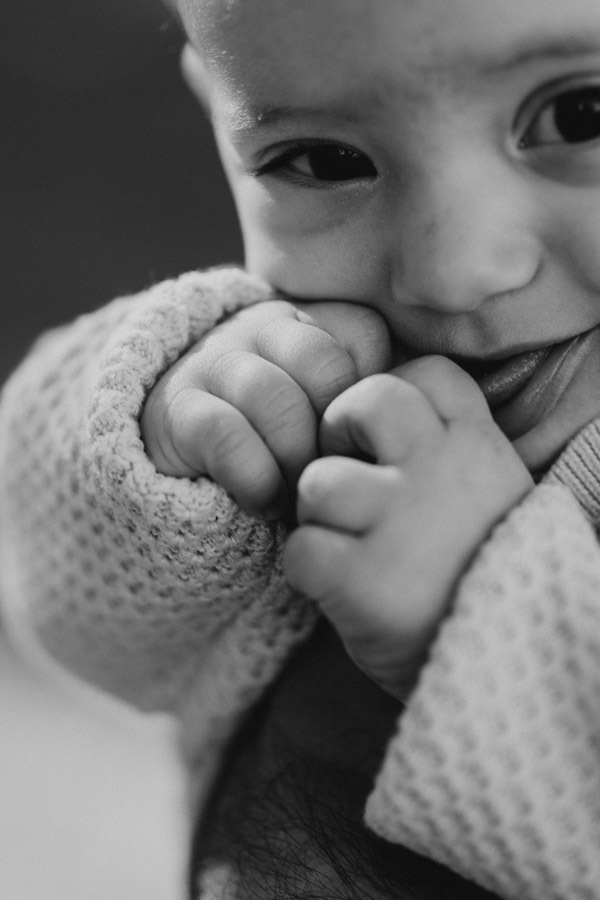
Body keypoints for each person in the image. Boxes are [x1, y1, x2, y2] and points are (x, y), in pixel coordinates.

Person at [2, 0, 600, 897]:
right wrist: (169, 412)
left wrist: (483, 615)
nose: (453, 271)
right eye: (325, 160)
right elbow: (81, 624)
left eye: (579, 115)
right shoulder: (328, 383)